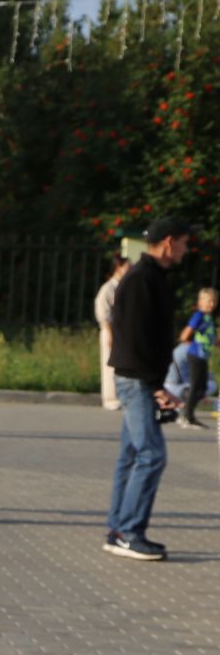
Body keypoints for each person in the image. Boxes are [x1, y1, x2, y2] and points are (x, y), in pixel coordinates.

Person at [105, 216, 193, 560]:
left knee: (131, 455)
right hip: (137, 379)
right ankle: (129, 532)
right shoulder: (142, 280)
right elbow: (139, 339)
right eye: (185, 242)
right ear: (169, 242)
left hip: (138, 376)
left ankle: (117, 531)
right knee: (151, 455)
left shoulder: (150, 277)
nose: (188, 249)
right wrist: (157, 385)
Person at [94, 254, 129, 411]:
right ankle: (110, 398)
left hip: (122, 331)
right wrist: (109, 333)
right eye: (127, 266)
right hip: (111, 330)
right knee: (110, 365)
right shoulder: (108, 289)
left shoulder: (124, 287)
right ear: (118, 268)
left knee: (122, 364)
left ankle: (122, 395)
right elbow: (104, 314)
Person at [176, 286, 215, 427]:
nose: (212, 304)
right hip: (196, 355)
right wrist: (192, 343)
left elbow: (210, 338)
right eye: (209, 301)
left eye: (214, 301)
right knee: (196, 386)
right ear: (201, 302)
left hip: (203, 357)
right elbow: (185, 335)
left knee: (202, 389)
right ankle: (187, 415)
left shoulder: (208, 318)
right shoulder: (198, 315)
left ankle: (185, 407)